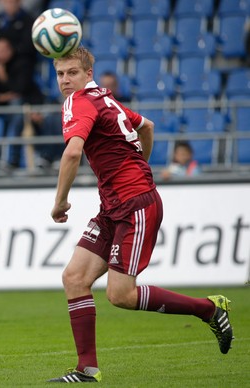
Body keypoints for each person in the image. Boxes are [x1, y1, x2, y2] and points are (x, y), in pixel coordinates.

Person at [48, 47, 233, 383]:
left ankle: (209, 309)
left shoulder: (81, 102)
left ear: (88, 73)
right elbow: (146, 125)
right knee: (74, 278)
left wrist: (60, 202)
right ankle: (86, 369)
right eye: (60, 74)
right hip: (114, 206)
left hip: (135, 206)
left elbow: (73, 152)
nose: (65, 80)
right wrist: (138, 164)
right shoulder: (104, 98)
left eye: (72, 72)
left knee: (121, 295)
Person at [0, 37, 44, 169]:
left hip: (26, 106)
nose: (0, 54)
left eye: (3, 50)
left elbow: (20, 90)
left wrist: (3, 77)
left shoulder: (22, 63)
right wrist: (1, 97)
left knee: (16, 109)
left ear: (10, 50)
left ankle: (11, 158)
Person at [0, 0, 37, 64]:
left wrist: (10, 49)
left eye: (12, 2)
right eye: (7, 2)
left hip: (19, 59)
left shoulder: (28, 21)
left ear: (19, 2)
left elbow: (28, 45)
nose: (9, 5)